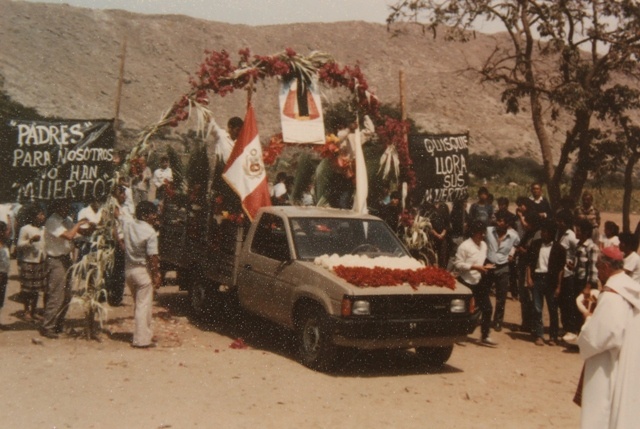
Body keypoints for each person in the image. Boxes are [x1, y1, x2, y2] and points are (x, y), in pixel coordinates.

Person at [577, 246, 640, 429]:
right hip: (625, 359)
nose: (597, 273)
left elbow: (601, 337)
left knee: (601, 411)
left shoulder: (612, 294)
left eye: (598, 267)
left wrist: (588, 320)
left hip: (606, 364)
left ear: (605, 266)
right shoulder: (630, 287)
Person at [41, 200, 88, 339]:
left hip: (66, 258)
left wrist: (89, 227)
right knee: (56, 294)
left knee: (67, 295)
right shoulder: (52, 221)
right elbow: (69, 235)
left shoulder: (66, 219)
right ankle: (48, 326)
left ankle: (58, 324)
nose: (67, 208)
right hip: (55, 259)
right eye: (64, 206)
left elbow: (76, 232)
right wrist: (79, 224)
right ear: (57, 207)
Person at [123, 201, 161, 348]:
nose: (155, 216)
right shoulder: (150, 232)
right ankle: (141, 340)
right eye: (152, 214)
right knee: (143, 306)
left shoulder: (128, 225)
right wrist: (156, 274)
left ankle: (144, 335)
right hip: (142, 271)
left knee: (139, 305)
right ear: (145, 215)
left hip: (129, 270)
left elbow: (117, 230)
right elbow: (153, 257)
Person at [453, 220, 497, 346]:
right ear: (473, 233)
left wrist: (485, 266)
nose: (482, 236)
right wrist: (474, 267)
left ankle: (485, 335)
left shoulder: (483, 245)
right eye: (479, 233)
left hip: (479, 281)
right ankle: (460, 335)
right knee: (465, 310)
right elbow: (458, 264)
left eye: (483, 233)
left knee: (487, 308)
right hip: (466, 281)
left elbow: (481, 261)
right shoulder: (464, 246)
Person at [525, 221, 565, 346]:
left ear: (551, 233)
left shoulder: (559, 249)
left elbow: (561, 270)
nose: (543, 234)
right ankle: (539, 335)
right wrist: (529, 278)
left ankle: (553, 336)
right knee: (537, 308)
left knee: (553, 309)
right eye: (542, 231)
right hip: (537, 279)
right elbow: (529, 263)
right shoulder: (536, 245)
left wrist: (559, 286)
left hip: (551, 281)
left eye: (545, 232)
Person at [482, 210, 520, 332]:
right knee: (483, 292)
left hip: (503, 267)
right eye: (497, 220)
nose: (498, 223)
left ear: (507, 223)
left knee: (501, 296)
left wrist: (512, 253)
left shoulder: (513, 235)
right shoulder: (488, 231)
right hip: (489, 265)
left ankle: (498, 321)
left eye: (501, 221)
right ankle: (483, 318)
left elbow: (517, 245)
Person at [16, 205, 47, 321]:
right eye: (39, 214)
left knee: (36, 289)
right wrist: (31, 241)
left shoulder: (44, 229)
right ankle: (26, 311)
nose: (42, 217)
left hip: (40, 261)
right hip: (28, 261)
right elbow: (19, 245)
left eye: (43, 214)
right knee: (27, 289)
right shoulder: (25, 229)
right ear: (33, 216)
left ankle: (34, 311)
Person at [555, 209, 581, 342]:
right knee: (562, 302)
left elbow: (579, 251)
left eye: (559, 221)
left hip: (568, 273)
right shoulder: (560, 234)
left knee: (568, 302)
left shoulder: (570, 235)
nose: (558, 223)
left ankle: (571, 329)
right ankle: (565, 327)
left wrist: (574, 264)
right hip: (560, 272)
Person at [0, 222, 9, 326]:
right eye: (6, 230)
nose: (8, 232)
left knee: (1, 299)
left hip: (3, 275)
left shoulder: (4, 244)